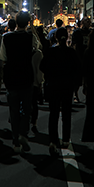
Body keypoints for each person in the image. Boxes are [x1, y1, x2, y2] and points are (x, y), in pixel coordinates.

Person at [0, 11, 42, 153]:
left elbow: (3, 58)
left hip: (11, 77)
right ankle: (24, 133)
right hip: (26, 76)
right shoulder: (31, 37)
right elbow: (37, 49)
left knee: (14, 110)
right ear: (28, 22)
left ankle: (16, 141)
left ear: (15, 22)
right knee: (27, 109)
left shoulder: (6, 37)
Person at [40, 27, 82, 155]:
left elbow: (42, 67)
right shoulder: (71, 52)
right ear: (67, 37)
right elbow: (77, 69)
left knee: (53, 114)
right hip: (67, 86)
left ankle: (52, 141)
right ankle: (65, 139)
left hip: (53, 85)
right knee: (66, 113)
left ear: (55, 37)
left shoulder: (50, 52)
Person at [71, 18, 92, 103]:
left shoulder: (91, 32)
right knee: (78, 79)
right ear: (82, 22)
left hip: (88, 57)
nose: (88, 23)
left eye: (89, 22)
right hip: (79, 56)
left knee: (88, 78)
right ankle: (75, 94)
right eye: (86, 21)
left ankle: (87, 95)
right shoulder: (77, 32)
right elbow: (74, 44)